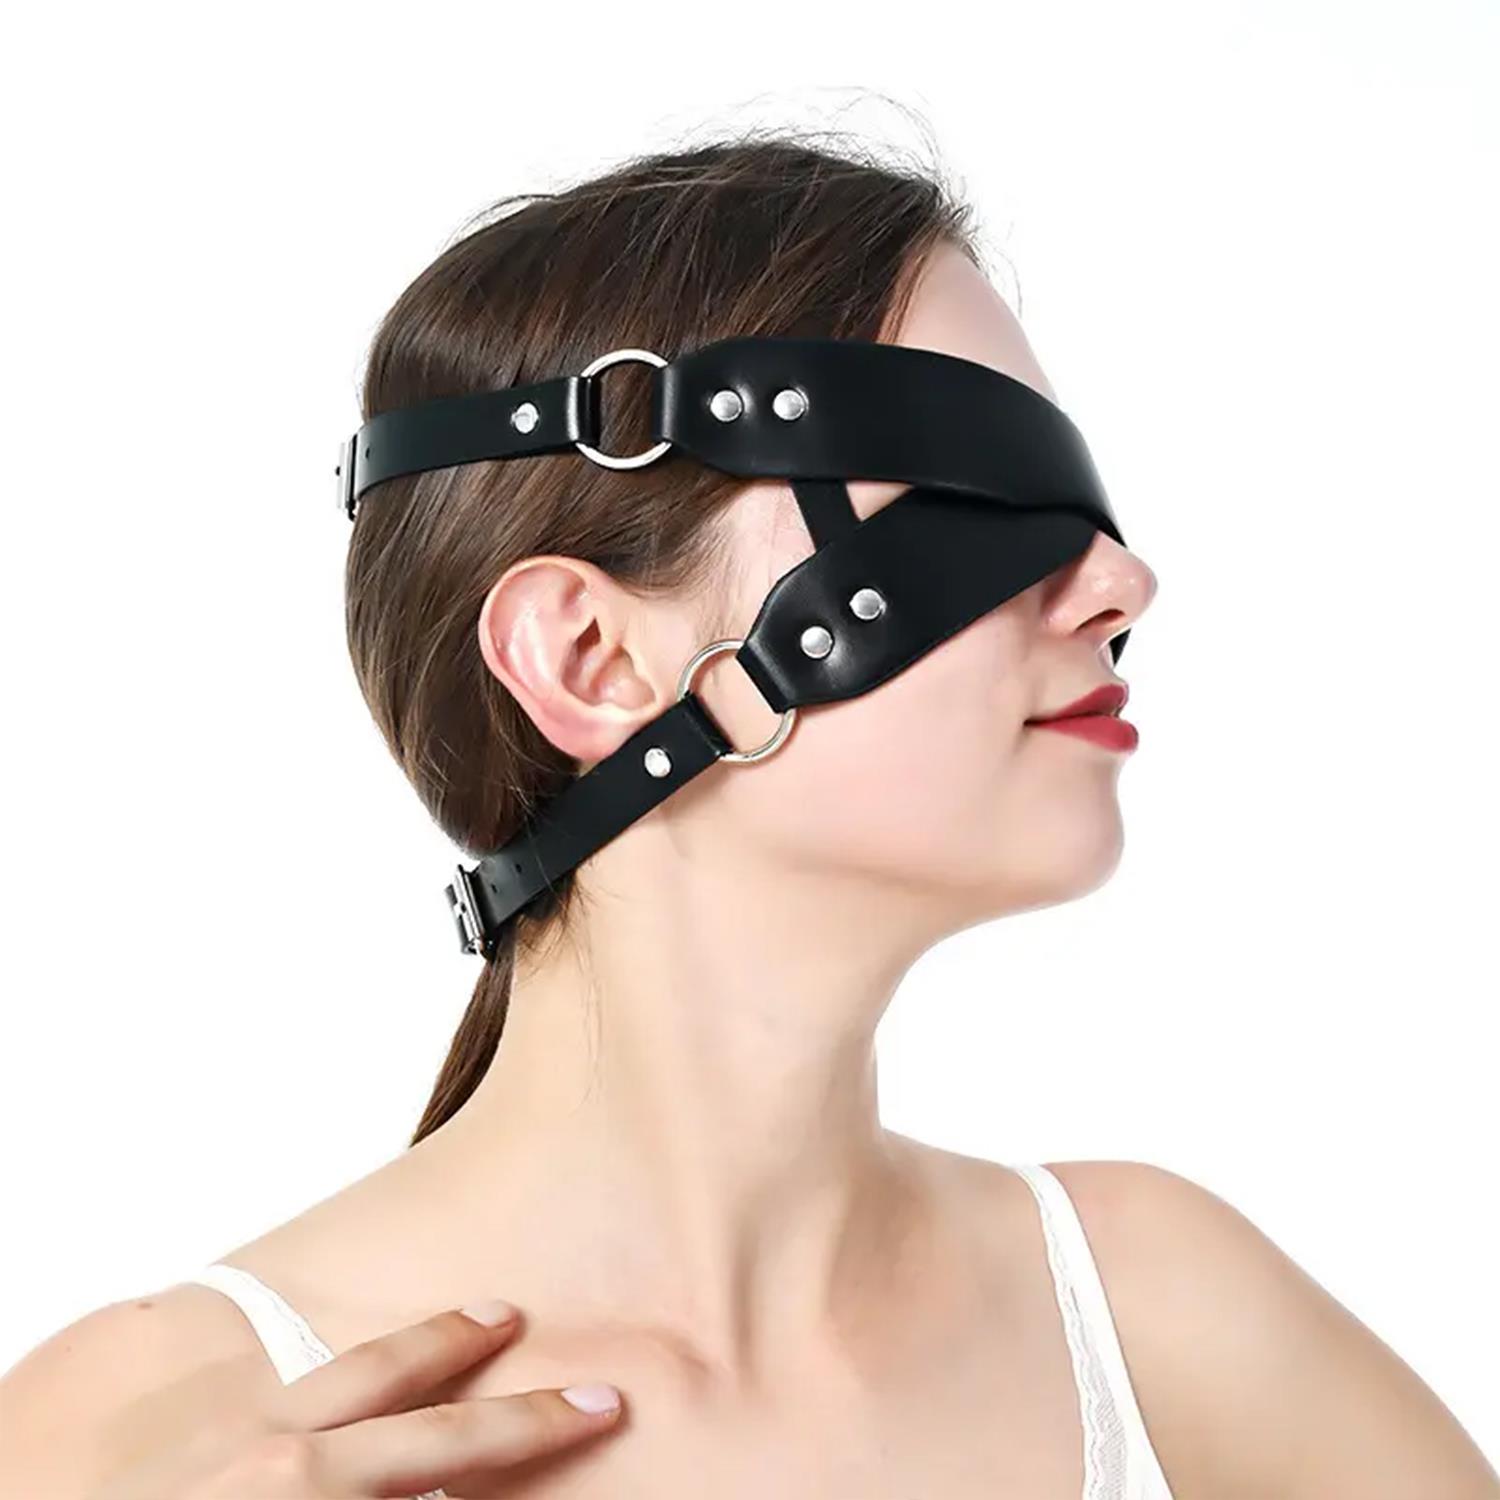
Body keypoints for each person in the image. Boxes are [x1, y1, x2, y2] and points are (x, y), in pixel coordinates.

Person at [2, 135, 1495, 1500]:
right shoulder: (149, 1429)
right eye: (976, 501)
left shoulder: (1157, 1312)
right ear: (592, 660)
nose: (1120, 583)